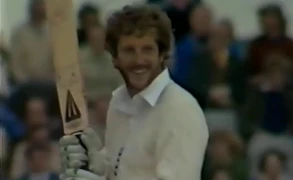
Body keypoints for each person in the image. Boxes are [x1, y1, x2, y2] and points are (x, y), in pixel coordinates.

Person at [60, 4, 208, 180]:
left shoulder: (181, 110)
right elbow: (123, 170)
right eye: (129, 51)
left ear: (162, 55)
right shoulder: (118, 103)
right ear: (115, 58)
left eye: (147, 49)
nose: (139, 60)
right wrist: (97, 165)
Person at [10, 0, 53, 84]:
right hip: (27, 87)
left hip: (51, 85)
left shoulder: (54, 33)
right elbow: (15, 67)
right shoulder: (19, 33)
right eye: (39, 5)